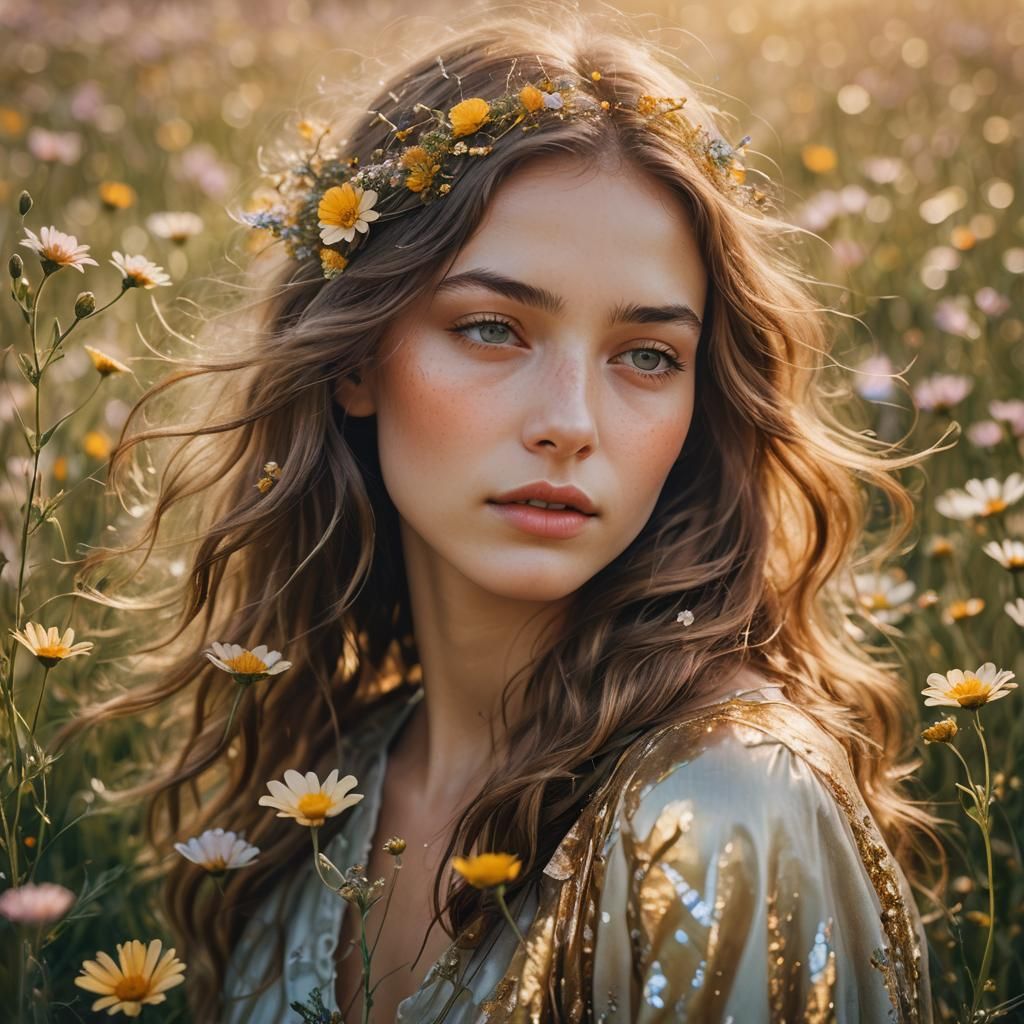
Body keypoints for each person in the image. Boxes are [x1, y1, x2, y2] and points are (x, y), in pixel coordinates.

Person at [65, 5, 946, 1022]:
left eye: (647, 355)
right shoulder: (323, 790)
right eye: (493, 328)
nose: (570, 423)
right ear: (355, 357)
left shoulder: (721, 806)